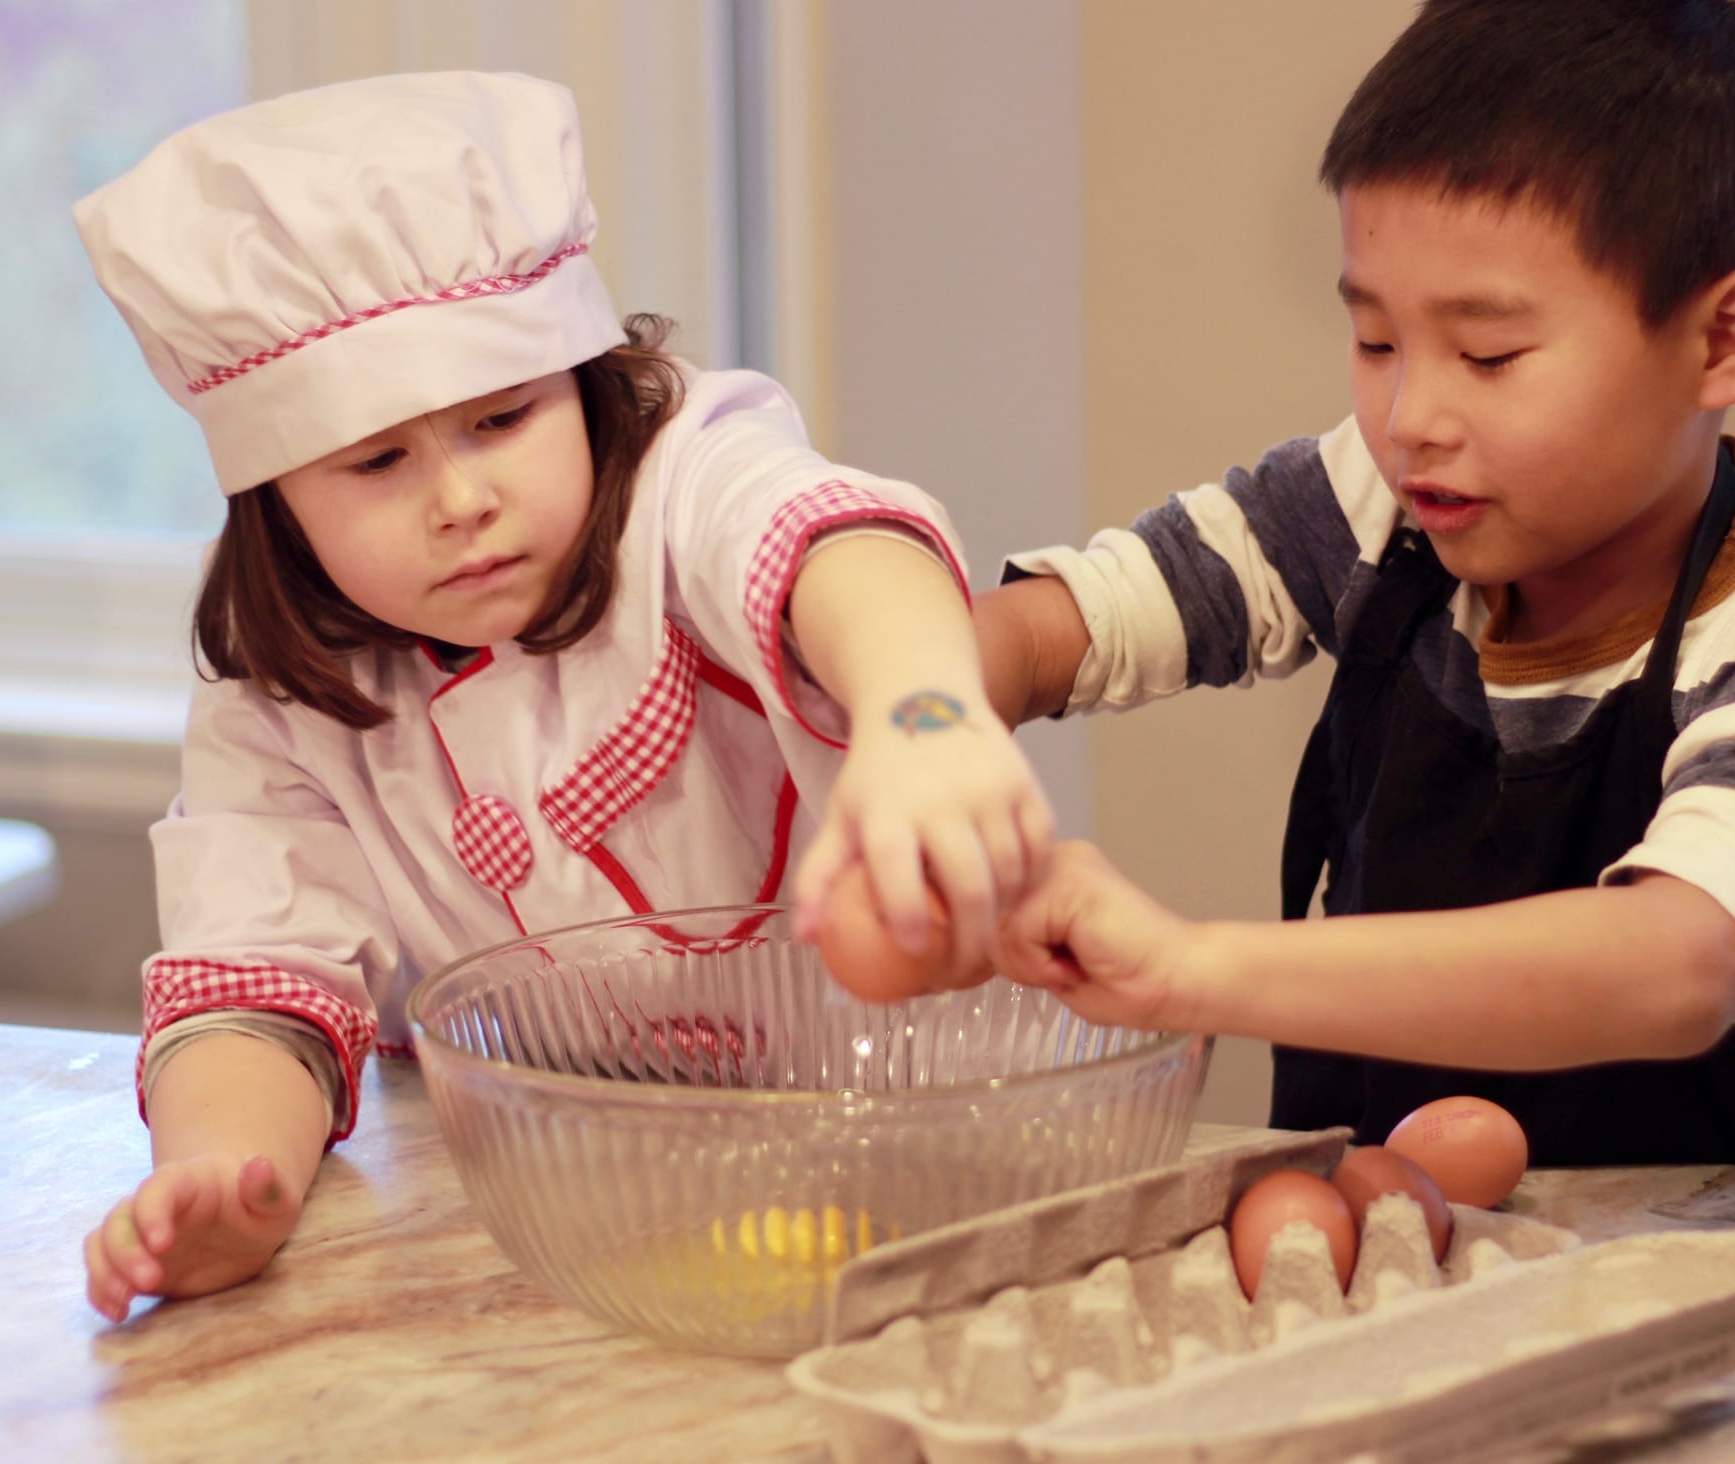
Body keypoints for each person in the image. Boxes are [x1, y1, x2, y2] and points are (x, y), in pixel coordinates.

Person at [75, 72, 1051, 1321]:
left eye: (501, 418)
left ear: (583, 385)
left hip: (896, 1167)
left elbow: (831, 550)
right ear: (273, 499)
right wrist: (224, 1172)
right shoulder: (283, 695)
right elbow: (257, 988)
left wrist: (927, 720)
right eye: (376, 460)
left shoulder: (680, 487)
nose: (460, 500)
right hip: (574, 1229)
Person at [977, 0, 1735, 1174]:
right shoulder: (1373, 505)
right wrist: (929, 728)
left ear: (1725, 341)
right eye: (1377, 339)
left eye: (1488, 356)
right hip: (1385, 1251)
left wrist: (1190, 969)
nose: (1411, 416)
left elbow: (1679, 961)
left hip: (1702, 1302)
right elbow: (1057, 628)